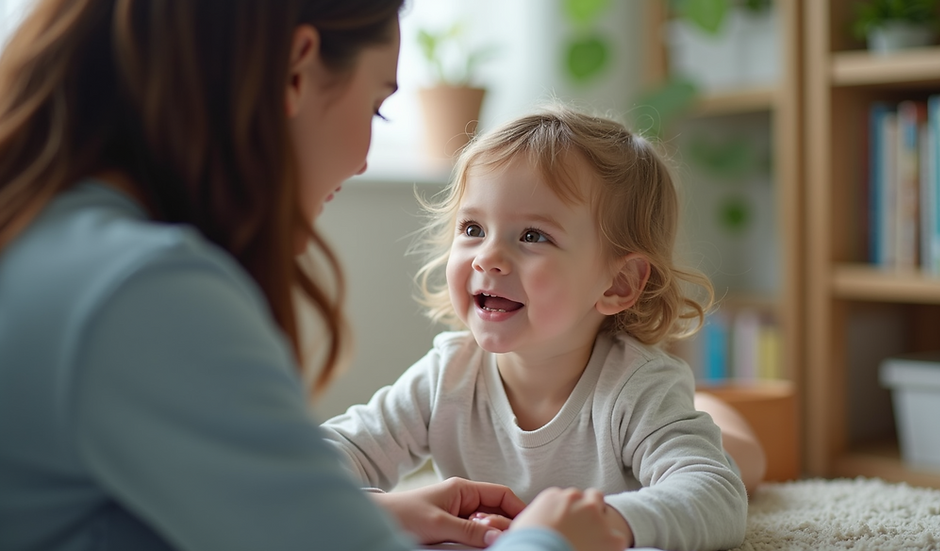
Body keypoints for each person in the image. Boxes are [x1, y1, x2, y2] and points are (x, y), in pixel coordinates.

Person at [0, 1, 628, 550]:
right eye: (379, 107)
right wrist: (549, 540)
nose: (360, 161)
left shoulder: (47, 237)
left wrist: (356, 515)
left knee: (723, 436)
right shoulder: (143, 294)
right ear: (297, 69)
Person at [321, 105, 753, 550]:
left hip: (698, 428)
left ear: (618, 283)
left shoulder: (639, 389)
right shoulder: (447, 375)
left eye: (532, 236)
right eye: (472, 228)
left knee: (741, 458)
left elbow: (716, 493)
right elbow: (318, 457)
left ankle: (715, 413)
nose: (487, 256)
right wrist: (382, 509)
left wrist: (609, 521)